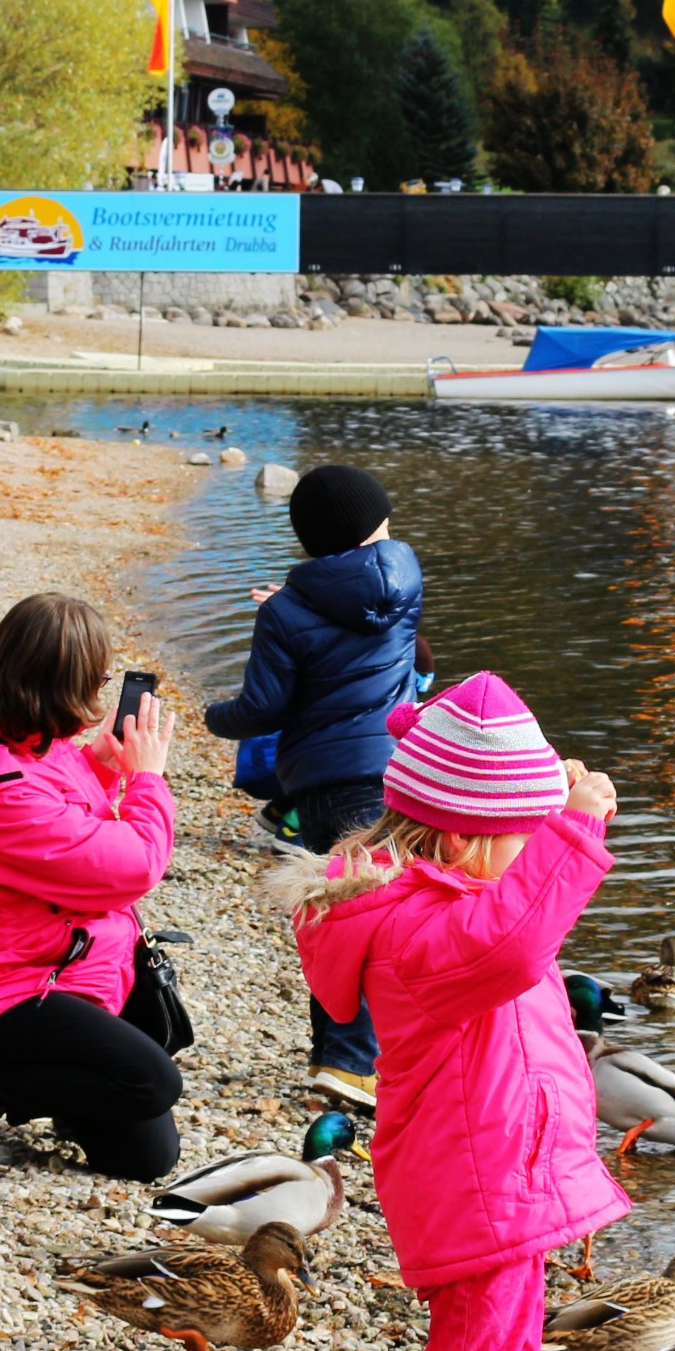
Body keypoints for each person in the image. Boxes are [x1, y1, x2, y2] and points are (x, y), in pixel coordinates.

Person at [273, 672, 626, 1351]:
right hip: (477, 1186)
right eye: (518, 839)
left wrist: (545, 825)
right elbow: (515, 943)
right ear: (469, 838)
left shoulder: (456, 896)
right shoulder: (429, 927)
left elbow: (519, 920)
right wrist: (574, 832)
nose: (527, 864)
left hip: (507, 1176)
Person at [0, 593, 183, 1179]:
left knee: (145, 1159)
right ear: (59, 684)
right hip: (3, 986)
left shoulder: (18, 727)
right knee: (152, 1080)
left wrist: (104, 763)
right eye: (96, 680)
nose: (97, 694)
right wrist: (146, 780)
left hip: (66, 963)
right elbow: (133, 864)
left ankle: (54, 1085)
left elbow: (59, 800)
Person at [205, 463, 423, 1112]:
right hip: (397, 774)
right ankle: (367, 1061)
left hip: (326, 783)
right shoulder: (406, 580)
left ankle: (345, 1062)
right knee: (387, 916)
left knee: (336, 915)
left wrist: (213, 715)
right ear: (372, 529)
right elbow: (355, 608)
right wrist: (291, 607)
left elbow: (262, 709)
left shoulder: (288, 613)